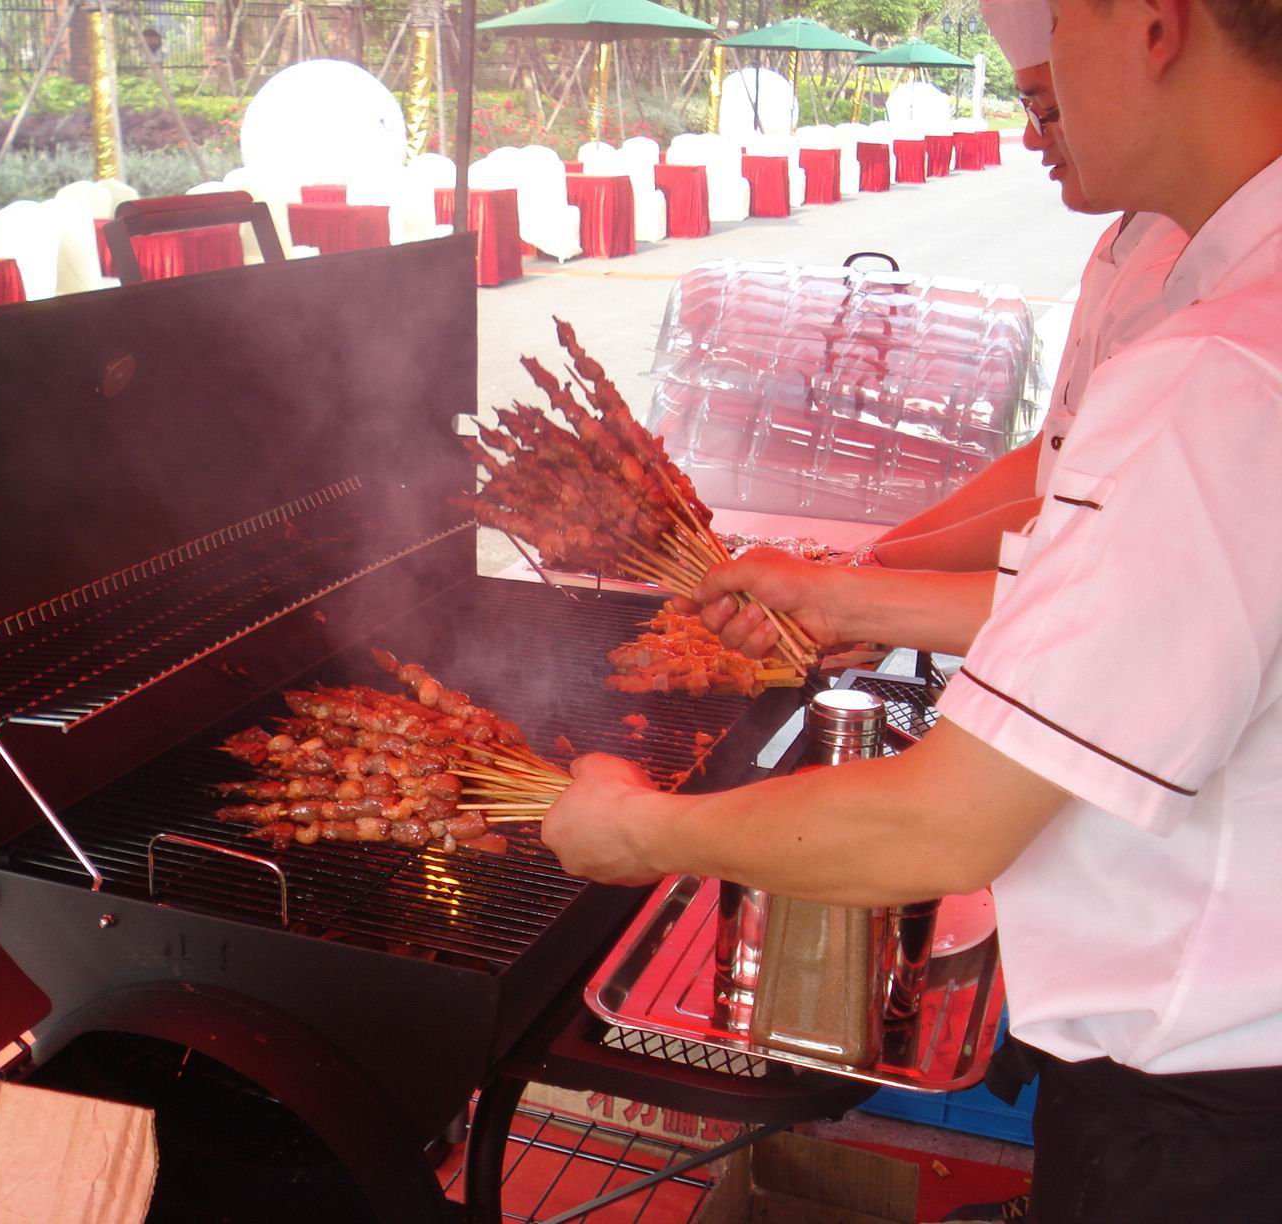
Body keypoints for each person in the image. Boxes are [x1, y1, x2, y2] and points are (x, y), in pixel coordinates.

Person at [543, 0, 1282, 1214]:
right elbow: (1152, 622)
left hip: (1212, 1118)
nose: (1036, 89)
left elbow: (944, 828)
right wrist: (846, 591)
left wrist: (643, 834)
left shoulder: (1220, 372)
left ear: (1153, 25)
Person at [857, 0, 1187, 577]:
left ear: (1157, 41)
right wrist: (871, 561)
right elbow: (1054, 455)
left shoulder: (1191, 279)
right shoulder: (1124, 237)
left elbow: (1099, 534)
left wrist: (860, 584)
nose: (1034, 142)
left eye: (1047, 109)